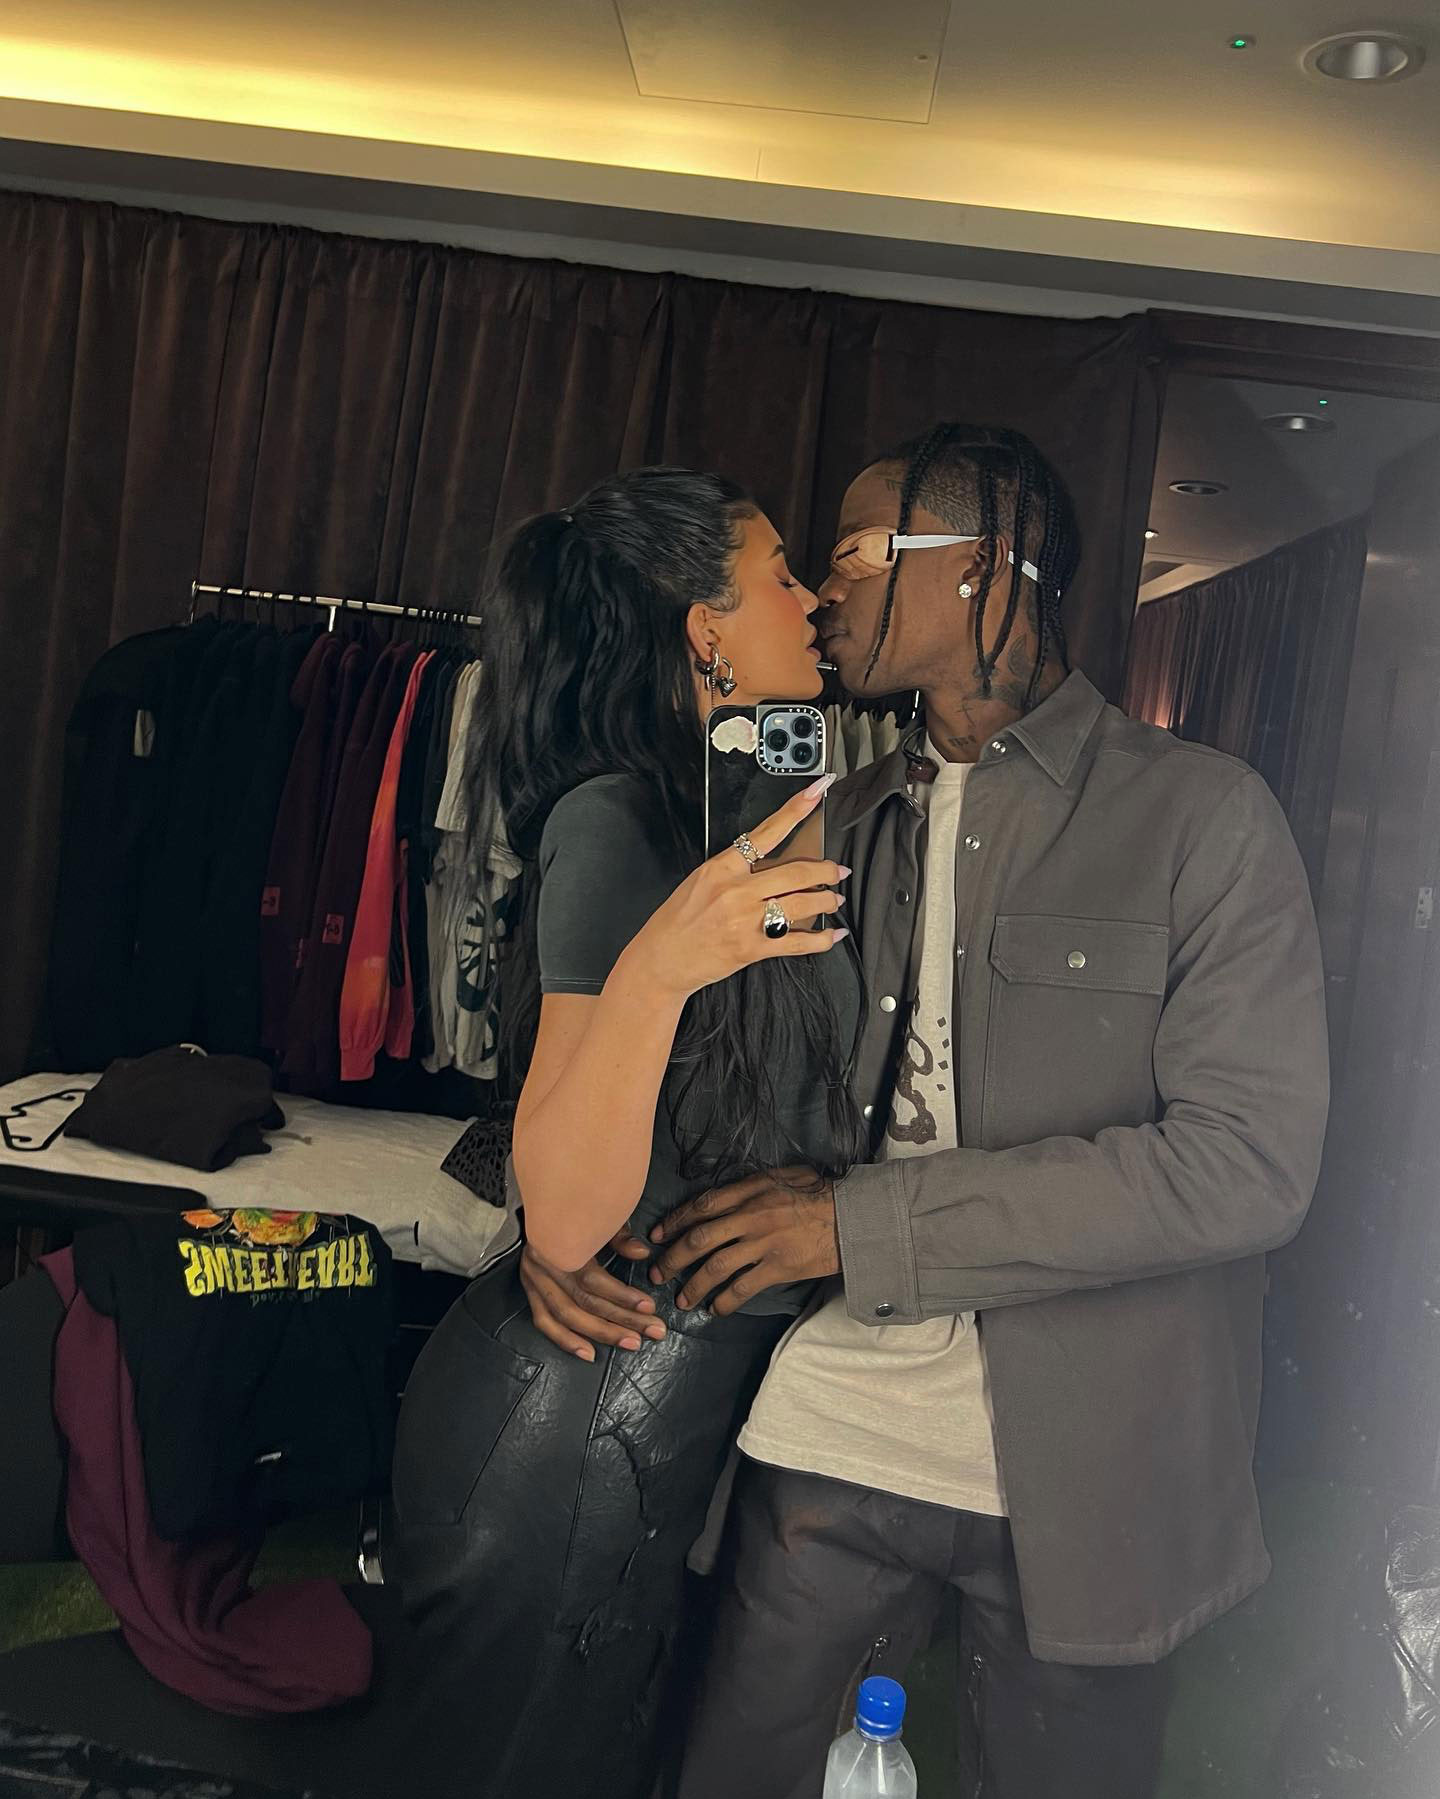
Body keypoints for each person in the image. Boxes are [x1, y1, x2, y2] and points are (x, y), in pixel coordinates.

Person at [621, 423, 1326, 1798]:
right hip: (839, 1418)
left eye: (853, 552)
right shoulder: (837, 817)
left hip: (1095, 1453)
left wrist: (857, 1227)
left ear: (985, 565)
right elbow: (724, 1076)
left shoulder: (1206, 822)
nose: (825, 593)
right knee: (739, 1773)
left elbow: (1245, 1167)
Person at [386, 468, 858, 1799]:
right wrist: (659, 968)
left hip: (647, 1409)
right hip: (578, 1418)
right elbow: (571, 1212)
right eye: (779, 574)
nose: (812, 599)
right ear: (705, 631)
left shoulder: (744, 794)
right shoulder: (619, 816)